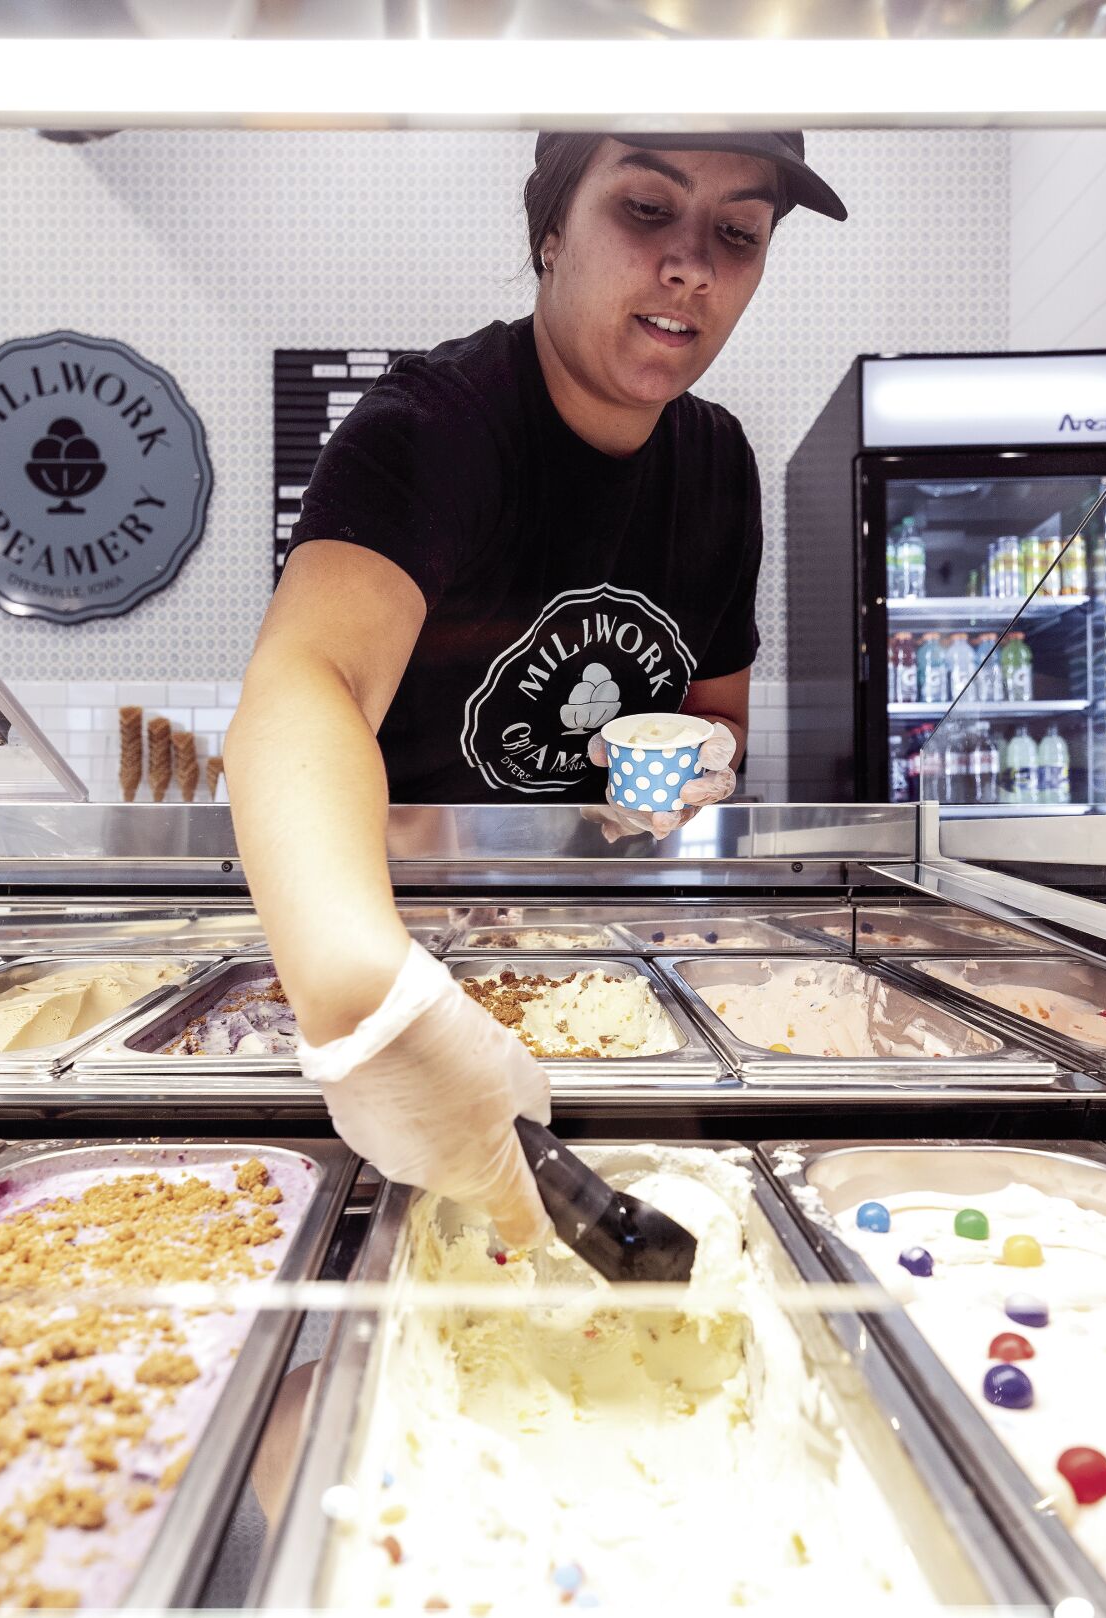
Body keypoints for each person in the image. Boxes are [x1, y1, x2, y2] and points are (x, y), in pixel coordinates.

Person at [226, 130, 846, 1244]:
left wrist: (707, 760)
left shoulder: (717, 467)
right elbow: (303, 686)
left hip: (621, 977)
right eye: (647, 211)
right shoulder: (431, 429)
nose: (693, 266)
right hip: (418, 977)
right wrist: (371, 996)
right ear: (550, 230)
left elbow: (718, 718)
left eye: (738, 234)